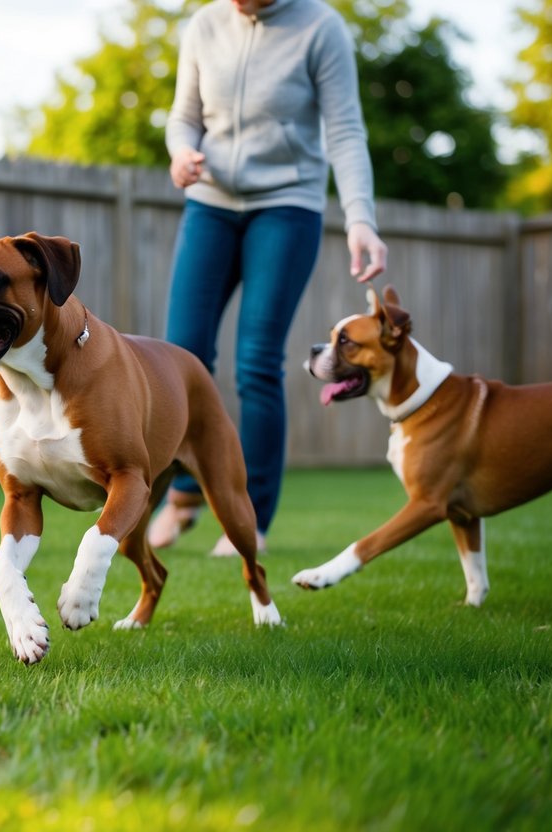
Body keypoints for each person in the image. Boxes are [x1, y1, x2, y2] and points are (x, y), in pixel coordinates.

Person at [148, 0, 388, 556]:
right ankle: (183, 494)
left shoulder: (321, 28)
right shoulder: (206, 24)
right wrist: (181, 151)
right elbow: (183, 116)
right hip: (209, 205)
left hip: (287, 206)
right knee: (181, 355)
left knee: (256, 362)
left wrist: (360, 220)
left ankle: (248, 517)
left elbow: (346, 132)